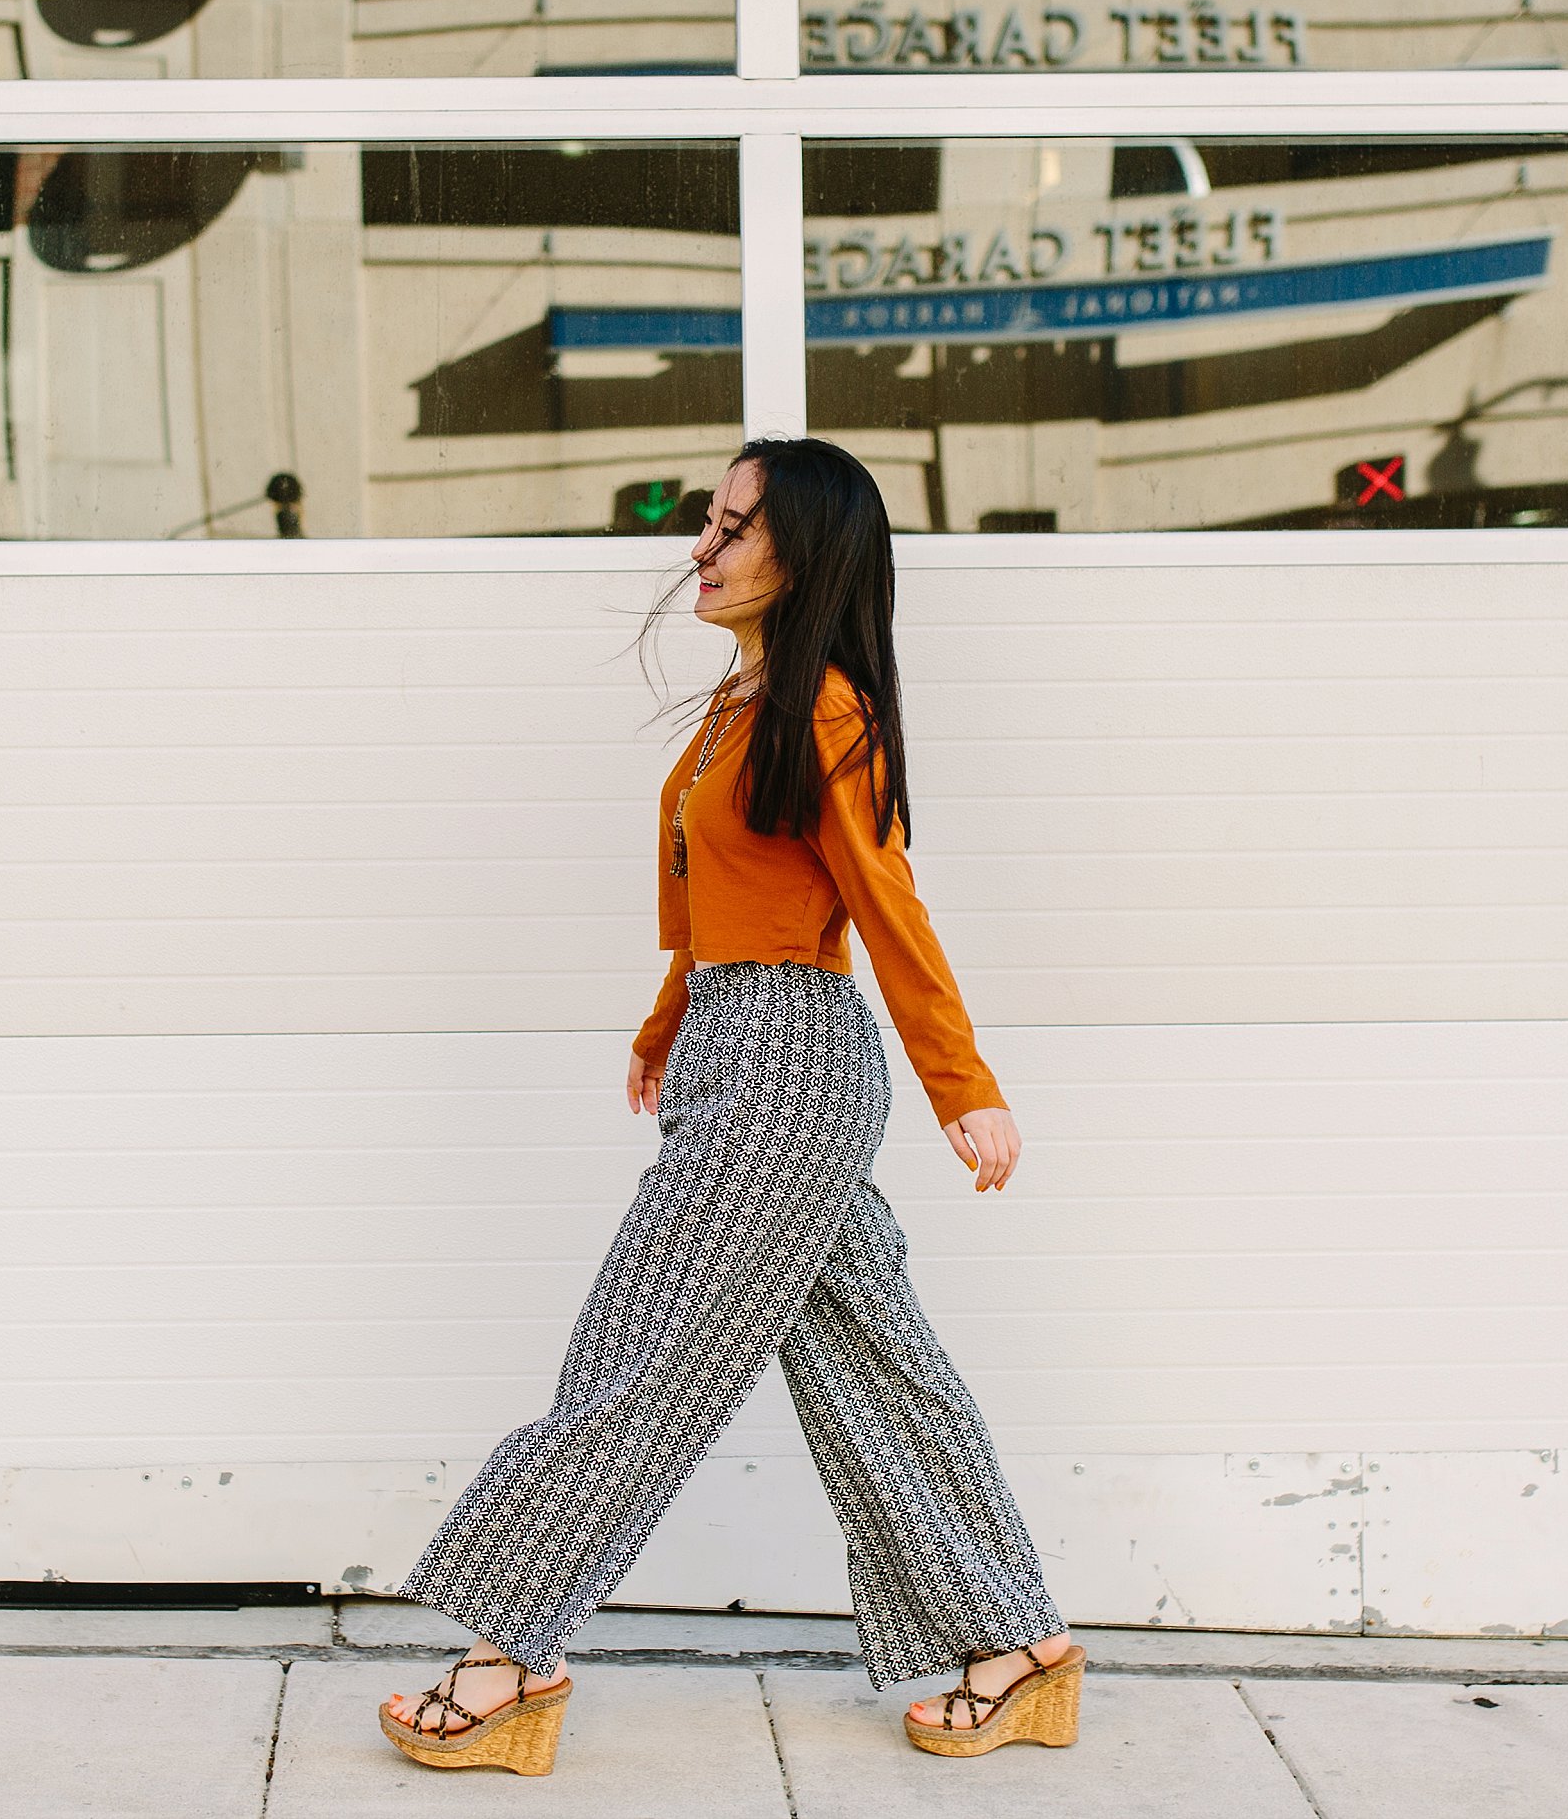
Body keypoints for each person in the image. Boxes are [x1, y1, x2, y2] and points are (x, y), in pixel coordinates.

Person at [378, 435, 1080, 1777]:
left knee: (638, 1352)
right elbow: (716, 907)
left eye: (737, 527)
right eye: (710, 518)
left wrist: (965, 1088)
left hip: (787, 1063)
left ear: (802, 553)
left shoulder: (823, 710)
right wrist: (665, 1023)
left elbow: (887, 908)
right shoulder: (740, 702)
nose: (705, 545)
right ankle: (1019, 1642)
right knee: (875, 1358)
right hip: (734, 1044)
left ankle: (509, 1654)